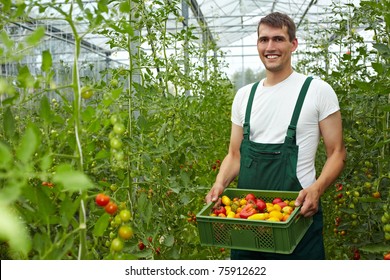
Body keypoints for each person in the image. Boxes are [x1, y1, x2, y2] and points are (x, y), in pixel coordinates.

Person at [205, 12, 346, 260]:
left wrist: (316, 189)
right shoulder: (244, 97)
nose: (270, 47)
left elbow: (337, 153)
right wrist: (219, 183)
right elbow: (234, 155)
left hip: (297, 220)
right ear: (258, 44)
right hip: (246, 221)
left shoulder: (316, 91)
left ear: (293, 44)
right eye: (264, 40)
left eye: (278, 39)